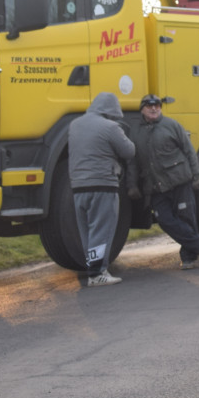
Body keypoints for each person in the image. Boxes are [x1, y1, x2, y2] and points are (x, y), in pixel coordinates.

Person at [126, 94, 199, 270]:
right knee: (164, 220)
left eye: (157, 105)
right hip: (155, 186)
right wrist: (132, 185)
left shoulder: (172, 125)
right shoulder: (135, 132)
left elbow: (189, 150)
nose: (154, 108)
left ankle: (189, 258)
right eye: (149, 106)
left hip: (180, 181)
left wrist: (196, 175)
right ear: (142, 109)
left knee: (186, 218)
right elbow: (132, 162)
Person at [68, 92, 135, 287]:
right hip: (102, 185)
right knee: (101, 231)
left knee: (87, 233)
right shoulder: (110, 127)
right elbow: (129, 151)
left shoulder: (75, 124)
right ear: (112, 110)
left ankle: (94, 270)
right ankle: (97, 274)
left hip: (78, 187)